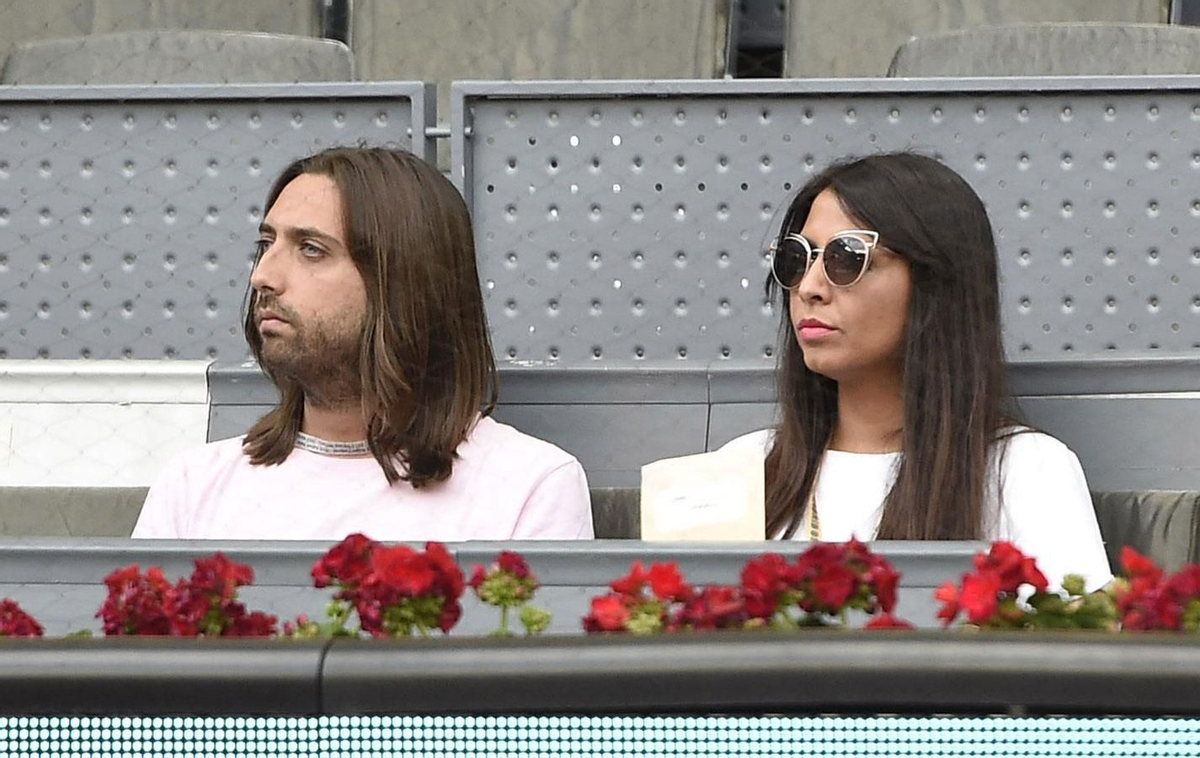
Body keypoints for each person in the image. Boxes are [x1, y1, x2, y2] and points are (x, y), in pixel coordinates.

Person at [133, 146, 594, 540]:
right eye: (266, 244)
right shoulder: (193, 486)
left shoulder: (529, 487)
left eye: (311, 249)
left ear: (402, 283)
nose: (263, 276)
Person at [722, 152, 1111, 589]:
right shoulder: (743, 467)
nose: (809, 288)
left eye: (846, 258)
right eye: (798, 258)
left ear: (934, 282)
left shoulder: (1025, 469)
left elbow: (1078, 645)